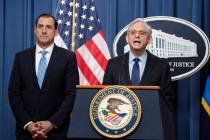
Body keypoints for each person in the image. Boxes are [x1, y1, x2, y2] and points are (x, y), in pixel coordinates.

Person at [8, 13, 79, 140]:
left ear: (56, 31)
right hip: (26, 133)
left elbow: (71, 94)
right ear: (35, 30)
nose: (44, 31)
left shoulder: (68, 57)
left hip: (57, 132)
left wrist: (52, 122)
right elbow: (13, 93)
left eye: (49, 27)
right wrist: (28, 124)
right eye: (40, 26)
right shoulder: (21, 57)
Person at [103, 18, 176, 140]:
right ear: (127, 38)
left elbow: (169, 101)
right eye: (133, 32)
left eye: (142, 33)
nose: (137, 36)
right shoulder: (113, 64)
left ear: (150, 39)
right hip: (119, 128)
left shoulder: (161, 66)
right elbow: (105, 96)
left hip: (150, 129)